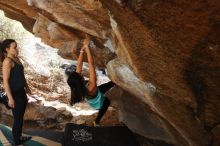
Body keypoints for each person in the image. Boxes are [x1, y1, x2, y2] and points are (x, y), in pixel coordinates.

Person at [66, 37, 115, 126]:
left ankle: (114, 83)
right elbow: (91, 64)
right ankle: (97, 121)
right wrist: (87, 47)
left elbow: (79, 66)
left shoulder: (78, 85)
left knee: (108, 85)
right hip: (98, 103)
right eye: (79, 74)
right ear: (79, 79)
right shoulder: (91, 86)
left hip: (95, 93)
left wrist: (82, 50)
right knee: (107, 102)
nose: (80, 73)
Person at [0, 39, 31, 145]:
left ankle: (19, 136)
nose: (17, 49)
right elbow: (5, 81)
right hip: (14, 94)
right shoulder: (7, 61)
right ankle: (17, 141)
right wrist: (10, 98)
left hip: (21, 92)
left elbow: (21, 75)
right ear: (7, 49)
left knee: (21, 117)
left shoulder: (16, 58)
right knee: (18, 119)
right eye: (14, 47)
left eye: (17, 46)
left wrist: (27, 87)